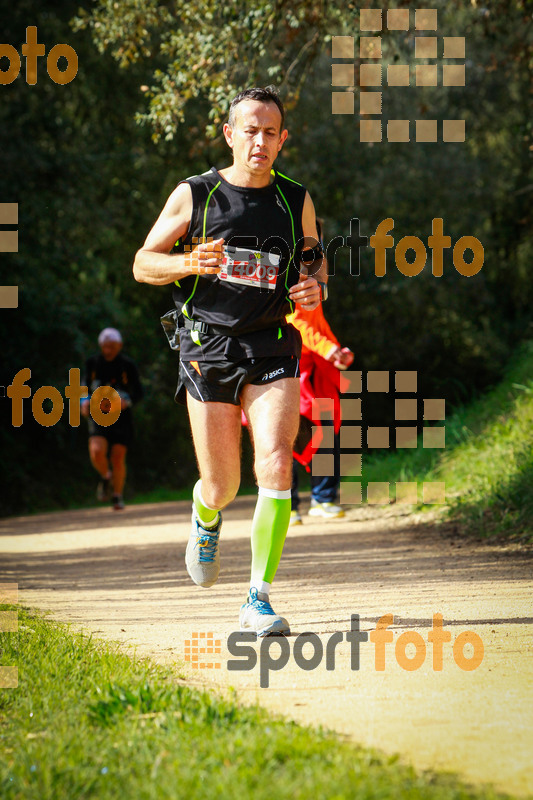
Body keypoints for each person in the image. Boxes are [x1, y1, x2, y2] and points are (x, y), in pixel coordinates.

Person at [133, 86, 326, 637]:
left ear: (283, 139)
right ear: (229, 134)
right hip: (206, 345)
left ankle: (257, 598)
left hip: (270, 343)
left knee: (276, 460)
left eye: (270, 132)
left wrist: (314, 289)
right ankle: (206, 512)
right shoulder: (196, 194)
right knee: (223, 484)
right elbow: (143, 264)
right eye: (249, 130)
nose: (259, 141)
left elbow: (314, 266)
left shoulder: (296, 199)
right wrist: (189, 261)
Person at [287, 302, 354, 524]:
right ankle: (286, 506)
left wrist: (334, 350)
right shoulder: (285, 272)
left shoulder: (314, 273)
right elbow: (293, 321)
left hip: (317, 369)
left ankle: (323, 499)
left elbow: (317, 323)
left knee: (325, 432)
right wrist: (327, 348)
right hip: (286, 366)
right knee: (286, 437)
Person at [81, 328, 143, 510]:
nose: (108, 350)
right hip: (98, 414)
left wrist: (127, 401)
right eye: (105, 346)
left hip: (121, 417)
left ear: (119, 346)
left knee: (118, 456)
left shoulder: (127, 365)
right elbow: (83, 385)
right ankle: (106, 476)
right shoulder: (92, 363)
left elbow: (138, 391)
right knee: (96, 451)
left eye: (112, 346)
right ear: (101, 346)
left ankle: (117, 496)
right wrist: (83, 401)